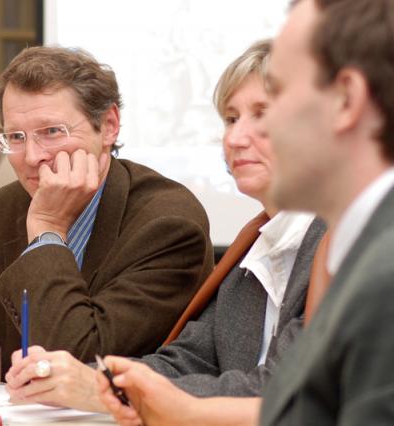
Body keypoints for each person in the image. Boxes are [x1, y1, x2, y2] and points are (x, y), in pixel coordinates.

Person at [99, 0, 394, 425]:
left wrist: (185, 411)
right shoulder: (353, 245)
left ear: (347, 99)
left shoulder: (381, 267)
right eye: (231, 118)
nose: (238, 138)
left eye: (277, 97)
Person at [5, 40, 326, 411]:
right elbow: (188, 360)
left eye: (262, 115)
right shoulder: (254, 249)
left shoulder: (346, 243)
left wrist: (99, 389)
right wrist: (97, 381)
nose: (235, 138)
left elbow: (288, 389)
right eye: (231, 119)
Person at [0, 46, 214, 375]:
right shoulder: (11, 204)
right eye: (16, 137)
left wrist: (47, 229)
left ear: (108, 126)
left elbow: (77, 362)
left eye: (52, 132)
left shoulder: (169, 223)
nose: (32, 157)